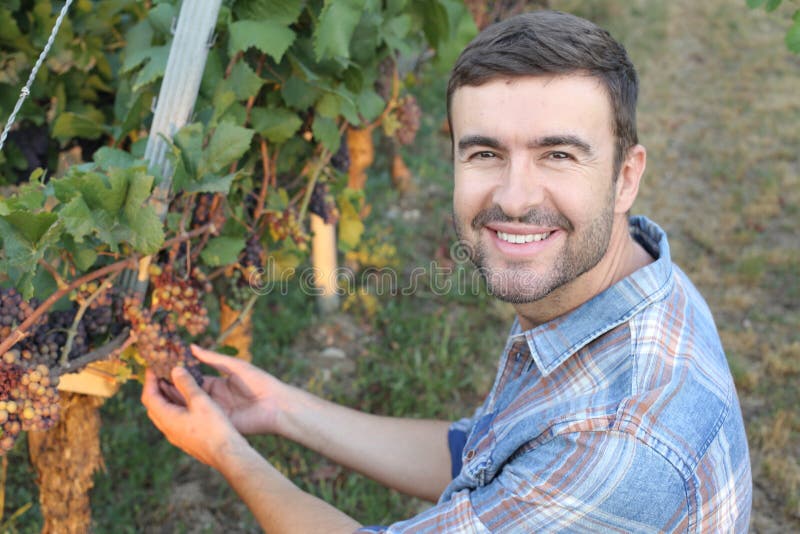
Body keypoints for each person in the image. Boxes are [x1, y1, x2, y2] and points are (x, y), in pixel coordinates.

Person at [141, 10, 752, 533]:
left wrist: (225, 451)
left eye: (557, 155)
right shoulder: (633, 280)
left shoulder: (622, 446)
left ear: (626, 176)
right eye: (485, 152)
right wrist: (282, 410)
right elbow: (483, 455)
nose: (514, 198)